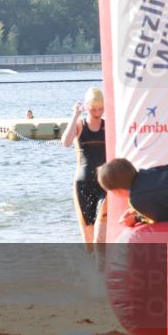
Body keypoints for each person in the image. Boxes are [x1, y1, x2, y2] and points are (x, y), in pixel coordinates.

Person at [61, 86, 108, 246]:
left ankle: (103, 268)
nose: (98, 112)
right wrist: (75, 115)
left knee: (100, 235)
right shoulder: (80, 125)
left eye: (101, 109)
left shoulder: (107, 126)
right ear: (87, 107)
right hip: (83, 184)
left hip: (105, 184)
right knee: (88, 239)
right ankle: (93, 269)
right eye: (94, 109)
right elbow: (66, 142)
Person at [97, 158, 168, 225]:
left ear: (117, 191)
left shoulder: (136, 199)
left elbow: (165, 220)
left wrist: (137, 218)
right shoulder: (146, 173)